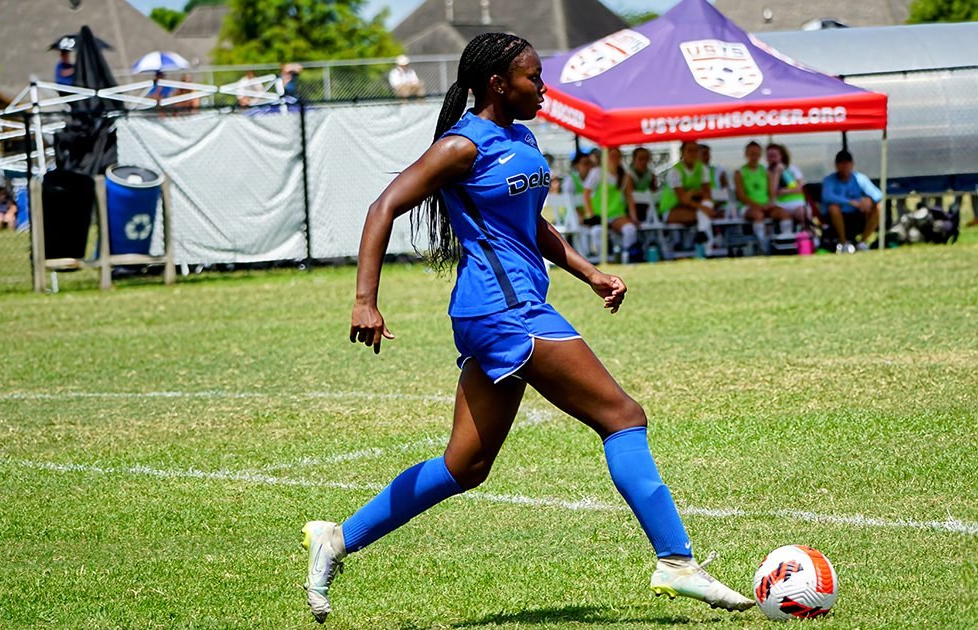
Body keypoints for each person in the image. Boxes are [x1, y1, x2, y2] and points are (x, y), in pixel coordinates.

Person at [300, 31, 753, 624]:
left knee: (466, 465)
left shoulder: (520, 137)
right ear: (497, 84)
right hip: (502, 311)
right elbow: (382, 206)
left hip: (503, 309)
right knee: (622, 415)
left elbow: (529, 224)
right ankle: (675, 561)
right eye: (533, 78)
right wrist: (365, 300)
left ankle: (337, 537)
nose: (543, 87)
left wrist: (587, 272)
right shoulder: (463, 145)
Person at [658, 140, 717, 250]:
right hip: (671, 209)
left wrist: (694, 194)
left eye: (695, 151)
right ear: (682, 153)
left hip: (693, 208)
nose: (693, 154)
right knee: (702, 215)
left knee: (705, 210)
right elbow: (683, 199)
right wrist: (702, 207)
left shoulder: (702, 169)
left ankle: (703, 241)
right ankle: (706, 245)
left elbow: (707, 195)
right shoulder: (675, 171)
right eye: (689, 151)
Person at [583, 147, 639, 260]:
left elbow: (629, 197)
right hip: (599, 215)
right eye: (612, 156)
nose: (615, 159)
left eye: (618, 156)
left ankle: (626, 256)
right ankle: (604, 259)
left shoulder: (625, 175)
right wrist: (591, 214)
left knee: (630, 229)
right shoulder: (597, 173)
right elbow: (586, 194)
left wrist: (634, 217)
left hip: (617, 214)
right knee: (597, 231)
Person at [821, 149, 882, 253]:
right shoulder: (829, 180)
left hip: (858, 216)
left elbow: (878, 194)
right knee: (833, 208)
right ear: (836, 165)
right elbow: (827, 196)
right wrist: (851, 202)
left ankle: (862, 243)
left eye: (847, 163)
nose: (844, 166)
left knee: (879, 207)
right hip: (838, 218)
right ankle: (843, 243)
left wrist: (869, 201)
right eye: (841, 163)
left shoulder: (859, 178)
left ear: (852, 164)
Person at [626, 146, 658, 223]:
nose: (643, 162)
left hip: (648, 208)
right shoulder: (628, 175)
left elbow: (655, 194)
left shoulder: (651, 175)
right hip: (631, 209)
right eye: (640, 159)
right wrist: (634, 218)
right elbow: (629, 197)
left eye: (646, 159)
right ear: (634, 160)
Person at [566, 150, 596, 226]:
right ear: (576, 165)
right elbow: (567, 201)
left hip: (593, 217)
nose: (589, 167)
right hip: (575, 219)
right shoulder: (571, 180)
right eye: (585, 163)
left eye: (591, 164)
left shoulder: (596, 179)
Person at [699, 143, 729, 213]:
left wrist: (713, 206)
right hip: (700, 209)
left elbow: (725, 195)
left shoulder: (718, 171)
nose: (707, 157)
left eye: (708, 154)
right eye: (704, 154)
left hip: (719, 208)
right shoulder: (691, 174)